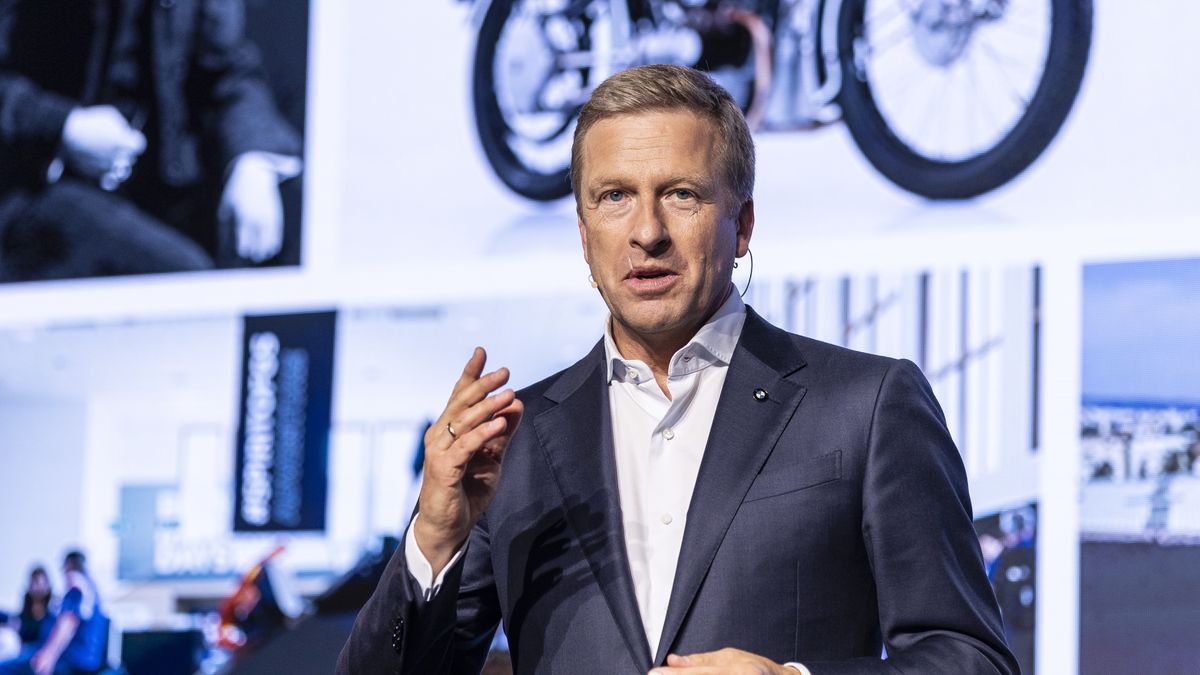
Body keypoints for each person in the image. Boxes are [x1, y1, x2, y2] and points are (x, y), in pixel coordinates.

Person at [338, 65, 1018, 674]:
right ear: (583, 233)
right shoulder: (515, 440)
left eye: (682, 194)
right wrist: (434, 538)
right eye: (614, 197)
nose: (647, 232)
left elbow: (972, 659)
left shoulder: (866, 404)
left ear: (742, 223)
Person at [0, 0, 302, 282]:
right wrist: (64, 125)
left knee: (288, 232)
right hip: (36, 182)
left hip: (162, 187)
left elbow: (229, 71)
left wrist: (251, 162)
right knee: (182, 276)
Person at [0, 551, 107, 675]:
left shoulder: (77, 584)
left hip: (72, 659)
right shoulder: (92, 588)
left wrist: (48, 656)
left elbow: (69, 621)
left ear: (69, 566)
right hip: (79, 658)